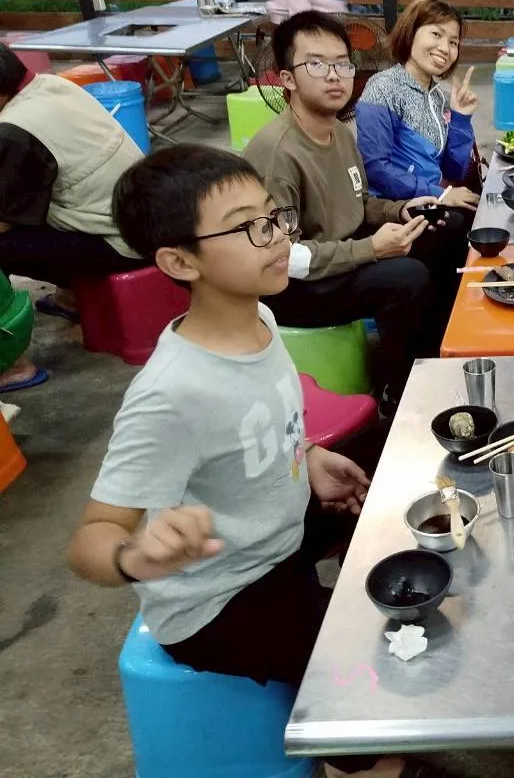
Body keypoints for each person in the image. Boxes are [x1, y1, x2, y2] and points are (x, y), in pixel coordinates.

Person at [66, 145, 415, 778]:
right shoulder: (171, 393)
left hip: (275, 534)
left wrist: (309, 456)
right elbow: (92, 538)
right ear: (180, 261)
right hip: (220, 599)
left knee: (406, 485)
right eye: (248, 227)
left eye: (274, 216)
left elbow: (264, 422)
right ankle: (363, 760)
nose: (277, 236)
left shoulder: (261, 316)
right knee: (366, 669)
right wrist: (135, 557)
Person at [243, 11, 466, 405]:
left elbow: (359, 203)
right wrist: (371, 249)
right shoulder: (277, 153)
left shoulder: (340, 134)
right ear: (287, 79)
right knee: (406, 277)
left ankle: (438, 351)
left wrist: (401, 210)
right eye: (316, 64)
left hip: (339, 251)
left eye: (343, 64)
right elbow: (284, 257)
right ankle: (397, 390)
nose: (334, 76)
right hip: (293, 285)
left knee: (446, 226)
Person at [0, 43, 145, 392]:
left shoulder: (14, 130)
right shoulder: (50, 85)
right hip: (138, 218)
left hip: (120, 244)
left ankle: (11, 363)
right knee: (51, 197)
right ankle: (71, 297)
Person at [355, 0, 481, 210]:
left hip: (433, 202)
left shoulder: (439, 97)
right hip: (395, 209)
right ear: (410, 32)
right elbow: (375, 168)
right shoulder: (383, 88)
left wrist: (460, 118)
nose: (445, 48)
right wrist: (440, 194)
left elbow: (454, 172)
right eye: (436, 34)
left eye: (453, 42)